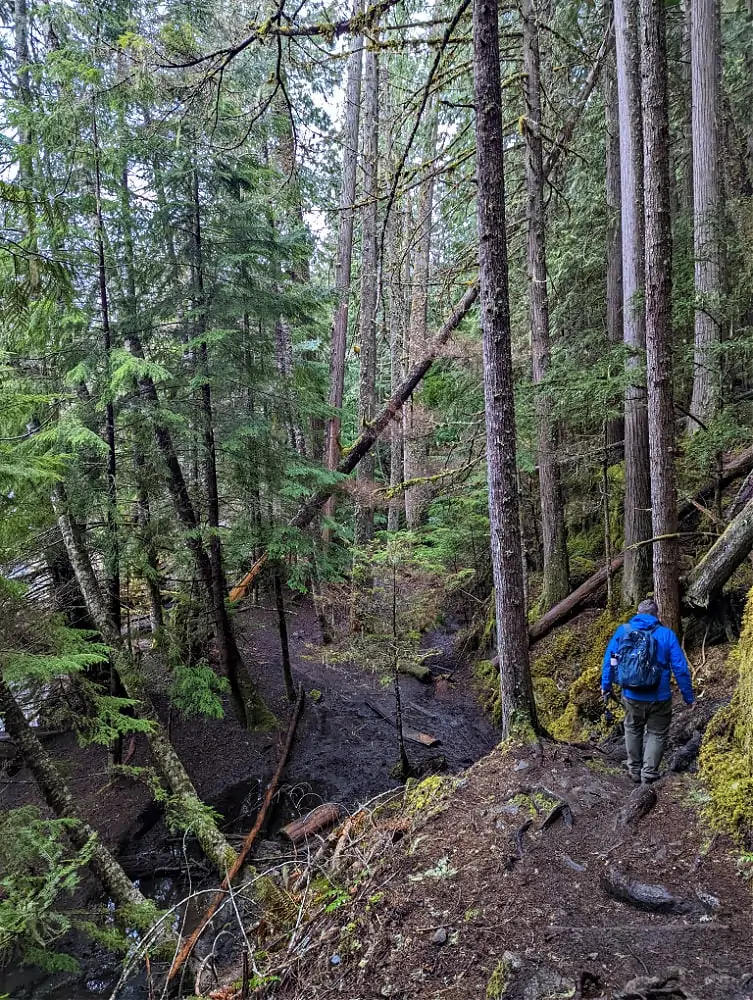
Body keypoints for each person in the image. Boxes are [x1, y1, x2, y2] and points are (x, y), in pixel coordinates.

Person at [601, 598, 695, 784]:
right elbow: (680, 668)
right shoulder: (666, 634)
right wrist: (688, 697)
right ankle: (649, 773)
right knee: (657, 733)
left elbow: (610, 661)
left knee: (632, 728)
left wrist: (606, 686)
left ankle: (634, 770)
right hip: (659, 696)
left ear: (638, 613)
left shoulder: (623, 631)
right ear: (657, 615)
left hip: (631, 694)